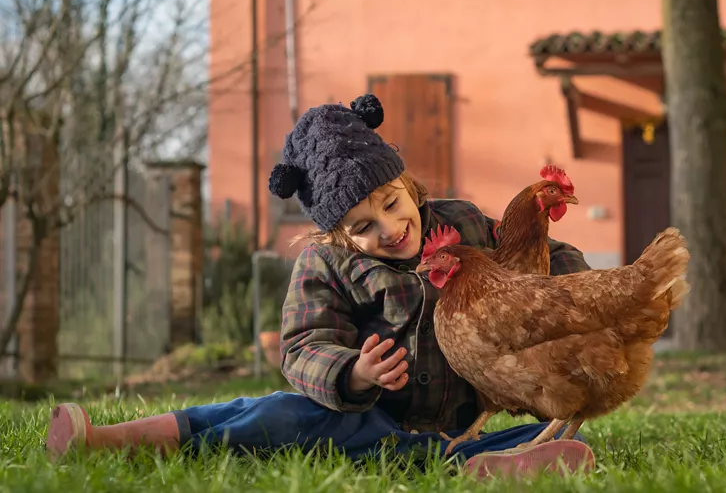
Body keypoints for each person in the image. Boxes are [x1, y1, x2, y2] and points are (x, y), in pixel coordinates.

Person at [46, 93, 596, 477]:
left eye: (391, 203)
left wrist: (584, 295)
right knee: (278, 416)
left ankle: (485, 461)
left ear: (405, 183)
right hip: (366, 422)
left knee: (556, 436)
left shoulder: (467, 224)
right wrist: (352, 373)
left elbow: (536, 255)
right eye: (362, 227)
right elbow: (302, 348)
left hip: (464, 424)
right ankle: (107, 441)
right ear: (337, 233)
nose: (390, 228)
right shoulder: (324, 265)